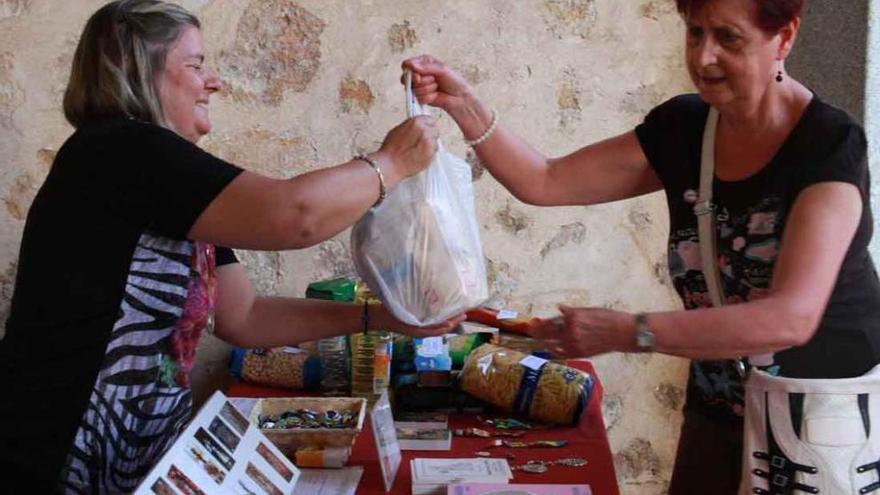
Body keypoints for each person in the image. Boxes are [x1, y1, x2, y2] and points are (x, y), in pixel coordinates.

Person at [403, 0, 880, 492]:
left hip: (821, 421)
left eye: (728, 38)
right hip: (720, 404)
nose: (703, 57)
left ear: (784, 38)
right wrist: (462, 103)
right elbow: (545, 180)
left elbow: (790, 319)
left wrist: (628, 332)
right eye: (694, 33)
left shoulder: (828, 145)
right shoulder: (685, 127)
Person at [0, 0, 464, 492]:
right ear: (139, 71)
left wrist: (380, 319)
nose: (213, 82)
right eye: (196, 65)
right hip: (57, 455)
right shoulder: (119, 151)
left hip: (132, 460)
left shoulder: (168, 178)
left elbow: (246, 316)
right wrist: (390, 164)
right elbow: (296, 215)